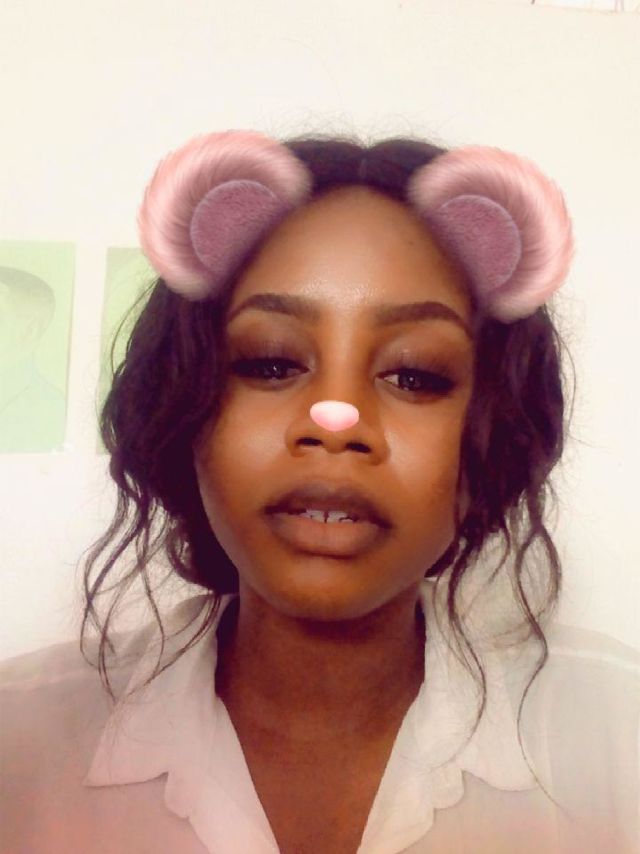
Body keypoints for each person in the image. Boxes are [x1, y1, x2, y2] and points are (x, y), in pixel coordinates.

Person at [1, 129, 638, 854]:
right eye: (271, 363)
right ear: (186, 411)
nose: (337, 422)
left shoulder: (621, 739)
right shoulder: (18, 746)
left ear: (496, 434)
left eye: (415, 374)